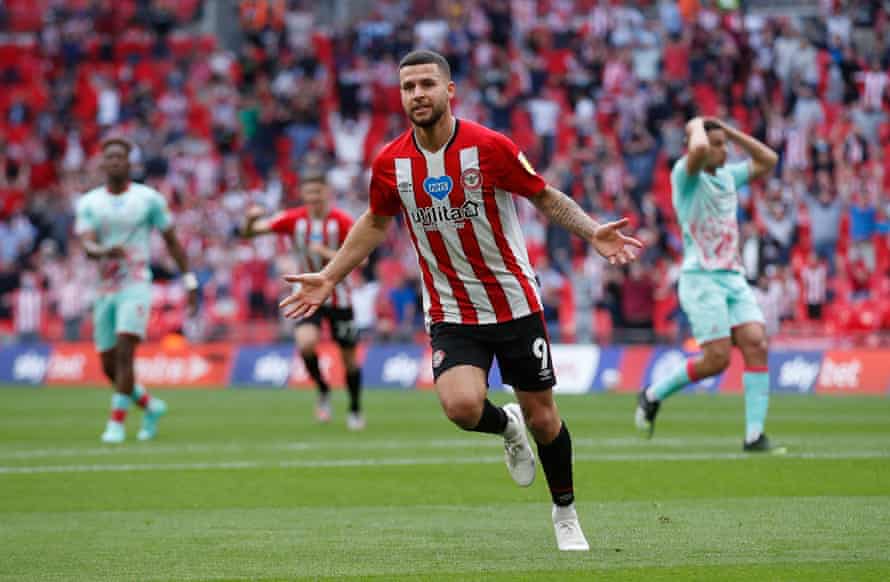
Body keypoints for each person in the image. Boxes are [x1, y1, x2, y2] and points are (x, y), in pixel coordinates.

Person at [279, 50, 643, 551]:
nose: (417, 95)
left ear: (449, 91)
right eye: (408, 87)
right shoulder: (390, 163)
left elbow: (543, 195)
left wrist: (592, 229)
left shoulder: (490, 147)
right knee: (461, 407)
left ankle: (565, 511)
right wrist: (328, 274)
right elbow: (376, 223)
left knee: (545, 416)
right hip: (451, 309)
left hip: (514, 302)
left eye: (427, 84)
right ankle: (505, 425)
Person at [634, 117, 785, 454]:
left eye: (725, 145)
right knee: (717, 360)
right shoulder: (684, 177)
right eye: (716, 144)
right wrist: (694, 125)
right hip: (701, 279)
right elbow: (700, 147)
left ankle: (754, 436)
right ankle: (652, 394)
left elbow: (769, 160)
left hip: (732, 277)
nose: (723, 149)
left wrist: (730, 131)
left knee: (756, 342)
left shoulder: (729, 176)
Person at [75, 137, 198, 444]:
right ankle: (150, 406)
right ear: (102, 163)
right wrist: (103, 250)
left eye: (121, 157)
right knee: (108, 365)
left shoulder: (148, 199)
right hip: (104, 288)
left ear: (130, 163)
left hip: (136, 285)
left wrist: (189, 280)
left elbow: (171, 241)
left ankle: (116, 424)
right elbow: (86, 244)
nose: (115, 162)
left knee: (125, 352)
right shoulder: (89, 202)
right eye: (110, 157)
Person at [241, 171, 365, 430]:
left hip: (339, 297)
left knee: (349, 358)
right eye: (309, 193)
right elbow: (251, 234)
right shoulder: (294, 219)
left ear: (327, 193)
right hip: (307, 295)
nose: (314, 198)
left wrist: (327, 252)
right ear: (303, 195)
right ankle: (322, 389)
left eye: (318, 192)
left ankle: (354, 408)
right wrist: (250, 221)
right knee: (306, 344)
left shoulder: (341, 221)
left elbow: (362, 259)